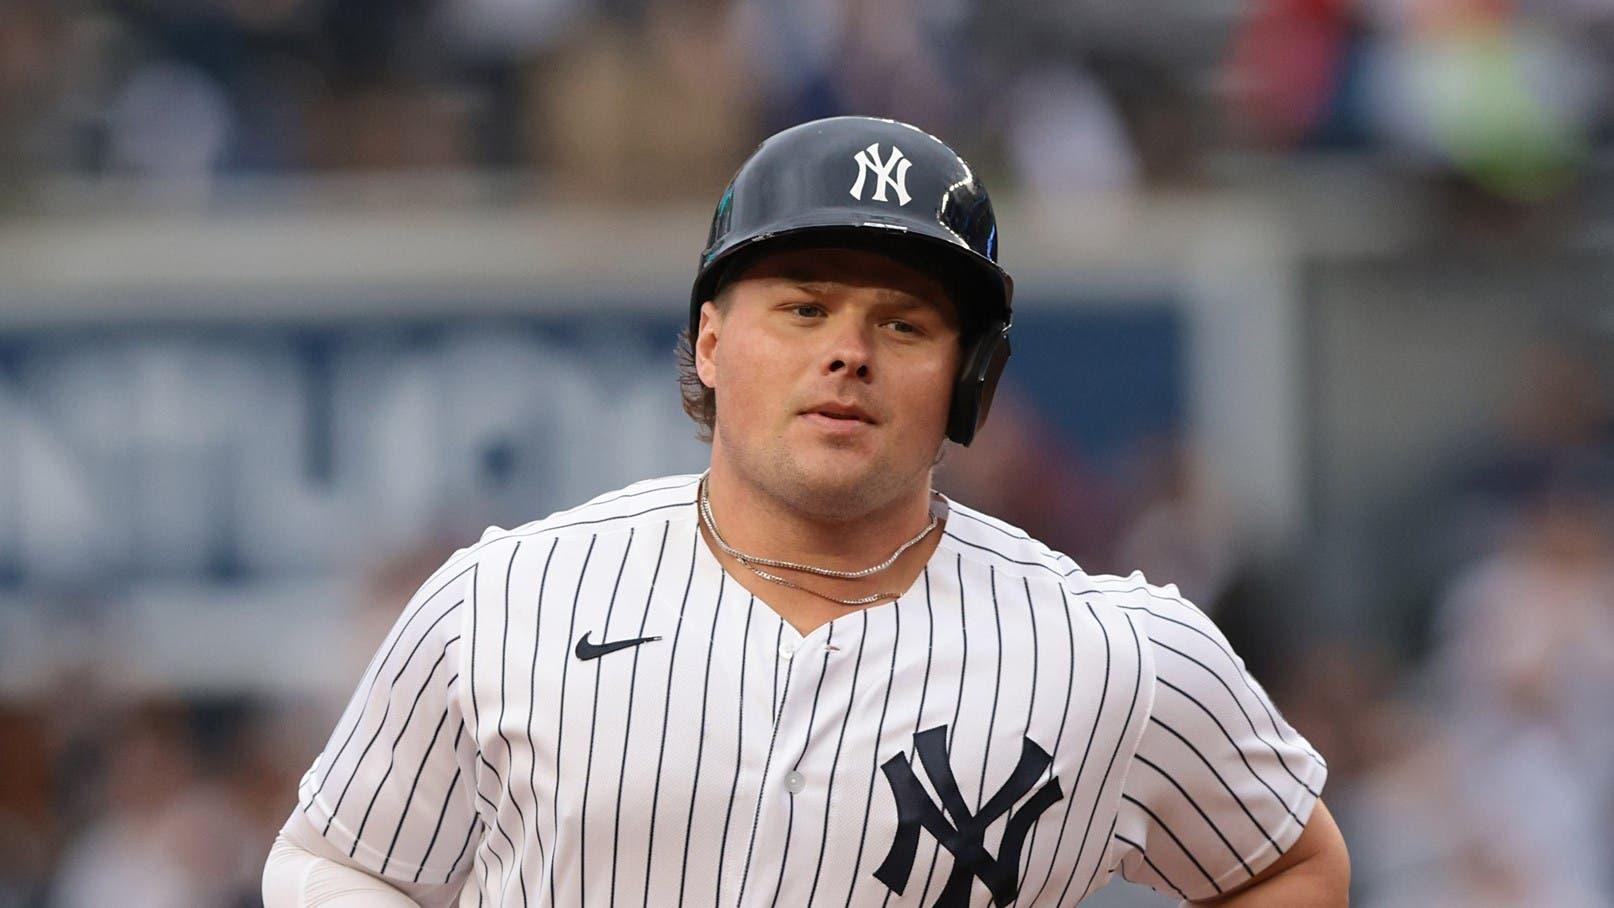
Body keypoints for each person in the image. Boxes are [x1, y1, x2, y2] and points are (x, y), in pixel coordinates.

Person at [263, 116, 1349, 906]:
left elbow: (1293, 859)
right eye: (803, 304)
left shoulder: (1114, 651)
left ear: (970, 382)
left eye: (906, 324)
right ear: (708, 340)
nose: (848, 350)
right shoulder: (507, 598)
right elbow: (337, 859)